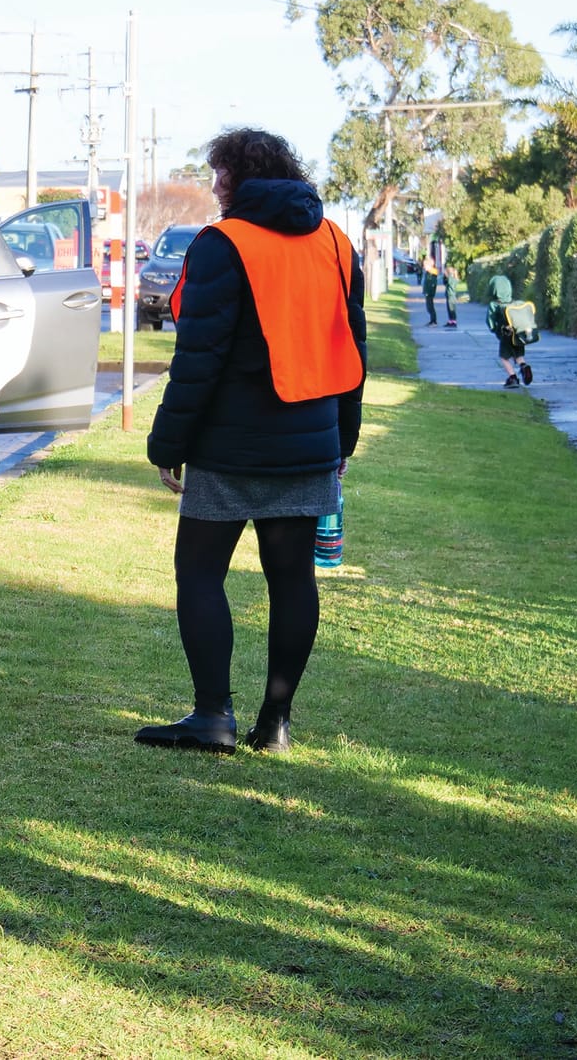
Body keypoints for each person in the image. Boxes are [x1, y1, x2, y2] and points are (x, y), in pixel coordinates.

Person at [139, 127, 366, 755]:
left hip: (230, 446)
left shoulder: (223, 243)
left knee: (199, 571)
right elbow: (354, 349)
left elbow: (199, 358)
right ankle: (277, 724)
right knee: (293, 579)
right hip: (309, 438)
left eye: (218, 174)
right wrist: (342, 440)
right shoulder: (335, 242)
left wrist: (167, 443)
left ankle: (213, 715)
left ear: (239, 176)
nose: (213, 186)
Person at [486, 273, 531, 388]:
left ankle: (513, 377)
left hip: (505, 335)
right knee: (518, 355)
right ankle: (524, 367)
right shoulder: (514, 303)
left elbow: (490, 321)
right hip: (518, 334)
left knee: (504, 357)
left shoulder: (494, 305)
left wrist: (493, 329)